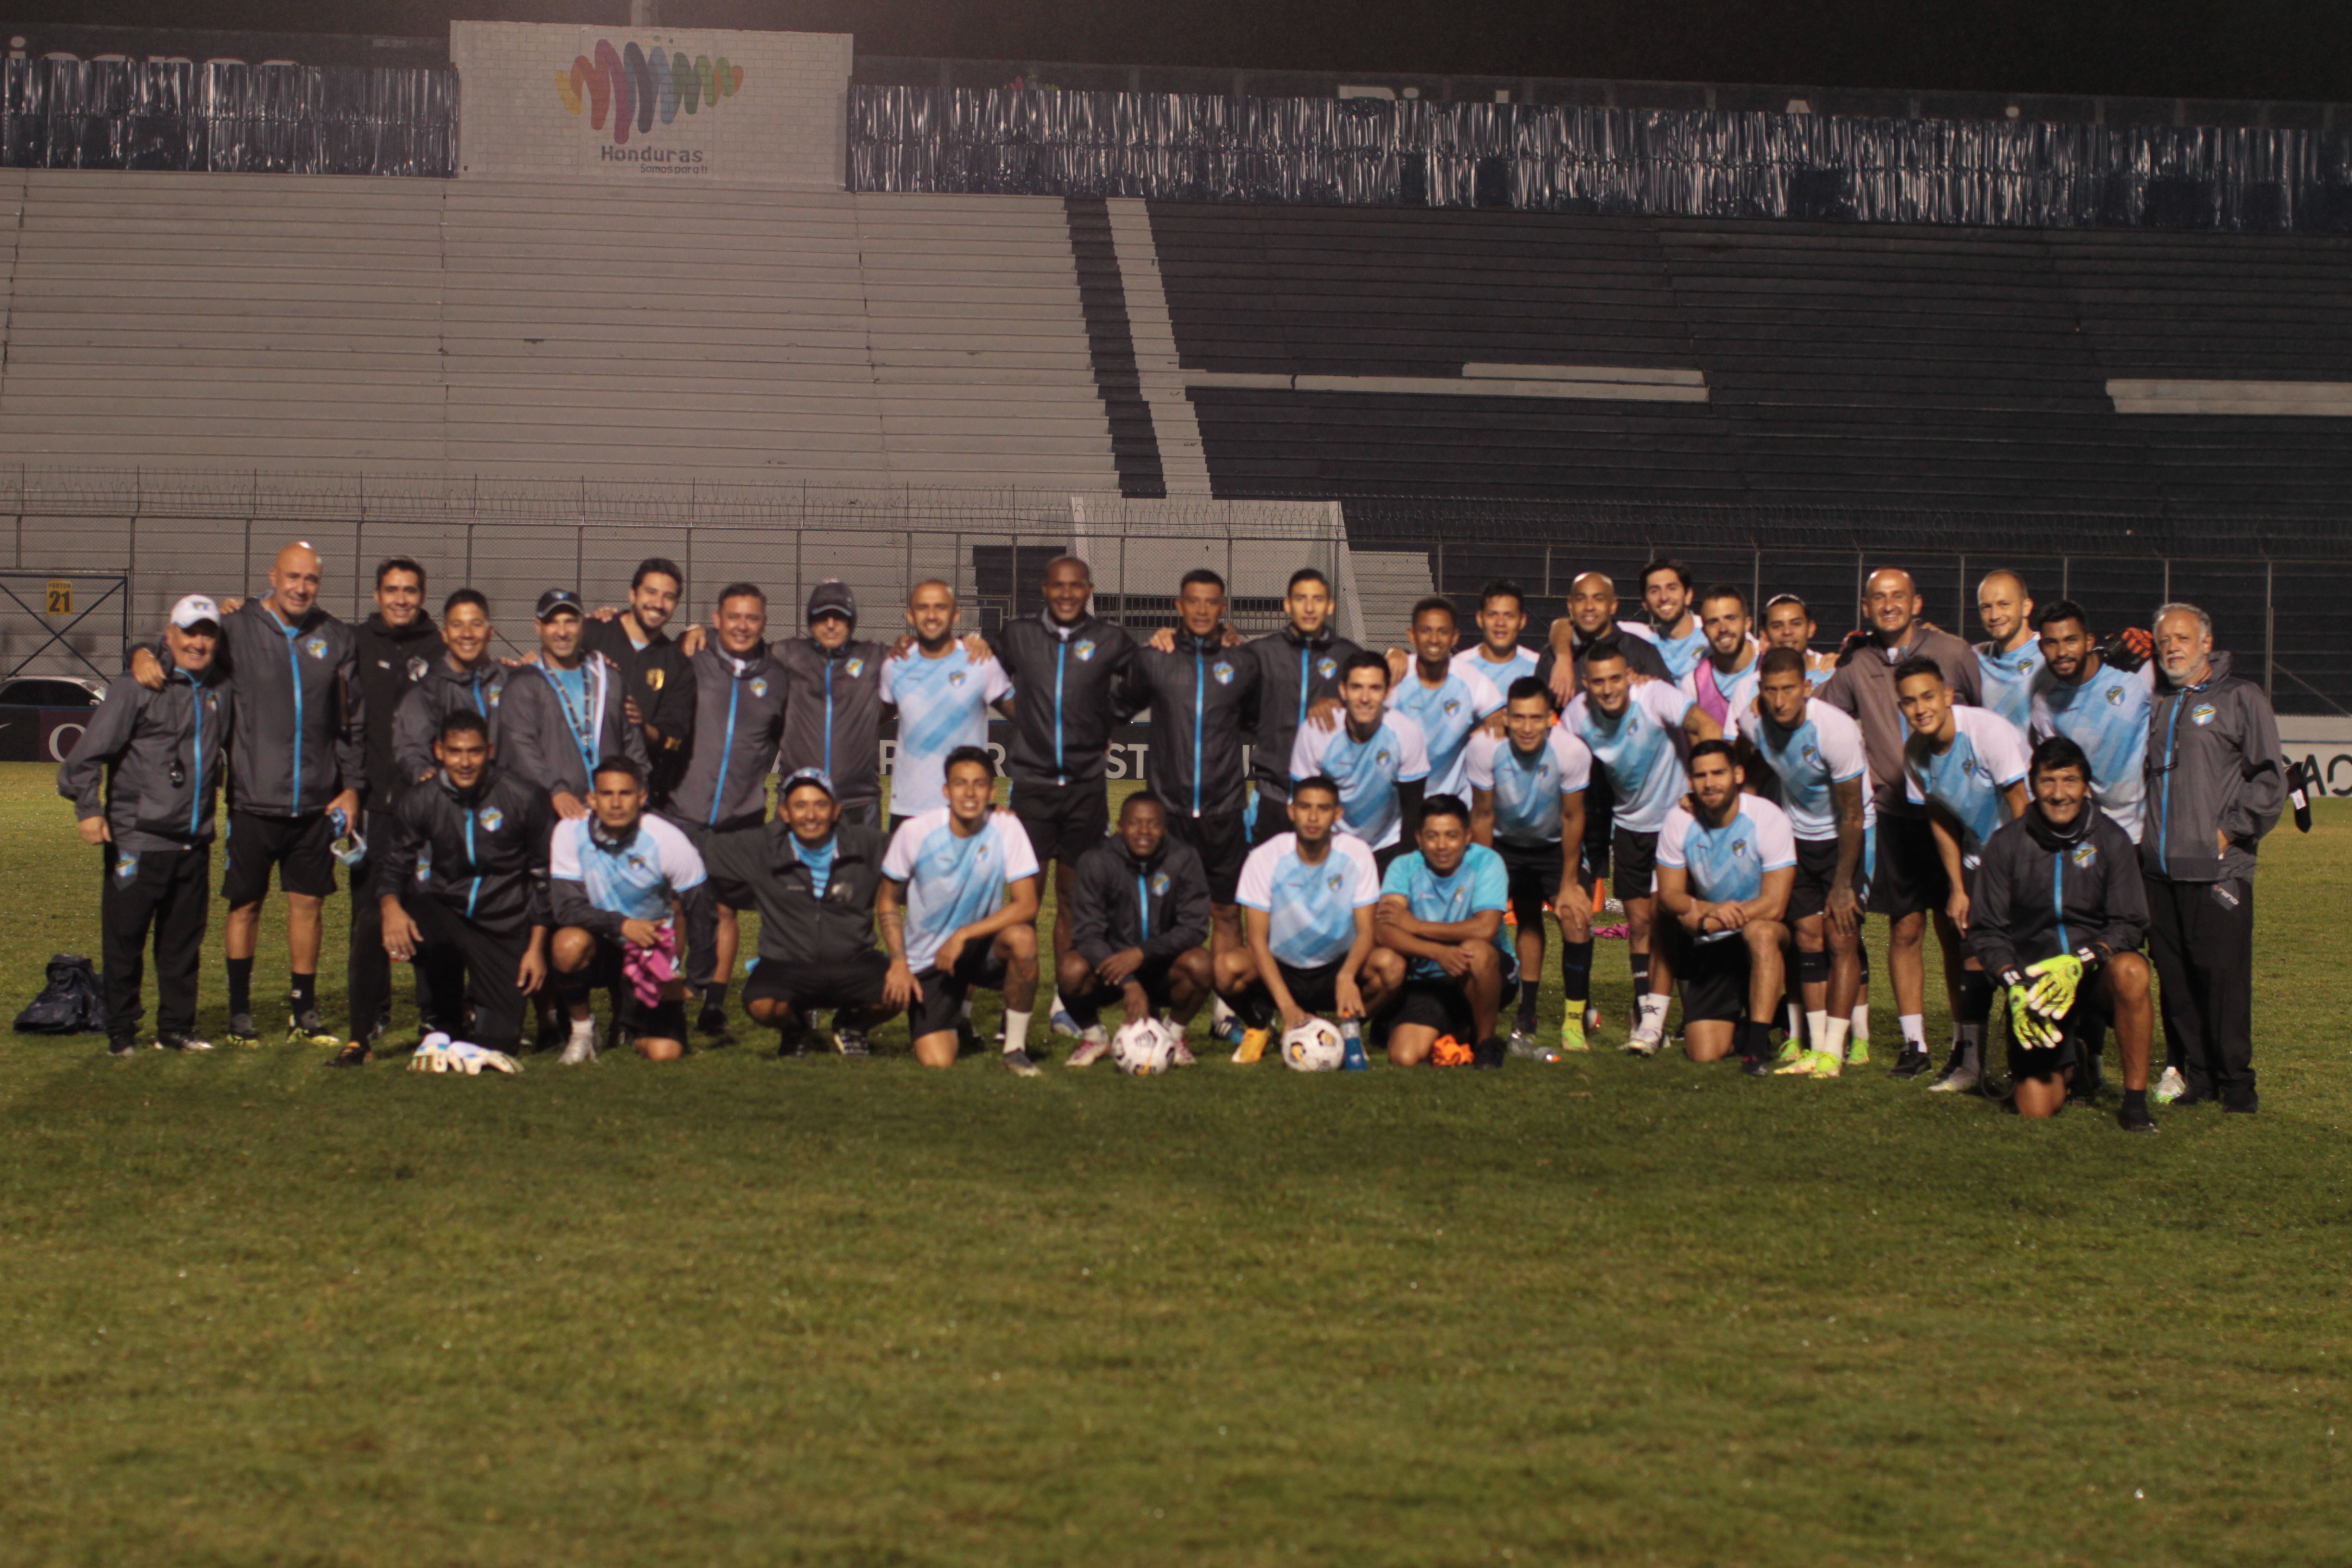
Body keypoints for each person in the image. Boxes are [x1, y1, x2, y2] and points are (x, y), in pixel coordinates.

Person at [142, 543, 366, 1052]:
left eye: (310, 579)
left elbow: (350, 723)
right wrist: (144, 652)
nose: (301, 587)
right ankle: (239, 1013)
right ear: (273, 576)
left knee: (308, 906)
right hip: (251, 801)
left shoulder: (334, 636)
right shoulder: (238, 626)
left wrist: (350, 788)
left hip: (316, 804)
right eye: (292, 576)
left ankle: (303, 1011)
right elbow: (185, 647)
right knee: (244, 906)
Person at [1816, 567, 1982, 1080]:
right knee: (1905, 928)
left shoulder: (1954, 652)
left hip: (1953, 814)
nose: (1888, 605)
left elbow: (1979, 714)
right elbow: (1818, 712)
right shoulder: (1858, 664)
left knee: (1958, 930)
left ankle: (1965, 1043)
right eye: (1878, 598)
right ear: (1866, 608)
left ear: (1917, 602)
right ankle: (1915, 1044)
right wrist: (1822, 665)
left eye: (1898, 596)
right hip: (1894, 816)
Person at [59, 594, 233, 1056]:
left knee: (182, 947)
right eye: (190, 632)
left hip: (193, 840)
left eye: (207, 633)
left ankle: (177, 1028)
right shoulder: (137, 684)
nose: (198, 642)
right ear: (170, 634)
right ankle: (122, 1033)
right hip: (137, 839)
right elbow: (84, 758)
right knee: (125, 943)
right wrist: (89, 810)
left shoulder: (221, 687)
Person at [1969, 735, 2158, 1128]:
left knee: (2134, 972)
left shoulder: (2112, 840)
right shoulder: (2006, 845)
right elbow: (1987, 930)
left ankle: (2135, 1102)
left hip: (2093, 973)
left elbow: (2131, 921)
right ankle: (2075, 1061)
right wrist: (2012, 981)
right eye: (2048, 782)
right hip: (2039, 985)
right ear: (2032, 785)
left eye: (2070, 781)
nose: (2059, 794)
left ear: (2086, 786)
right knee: (2036, 1109)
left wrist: (2085, 959)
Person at [2139, 602, 2284, 1113]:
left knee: (2222, 980)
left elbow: (2270, 779)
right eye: (2164, 641)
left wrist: (2224, 836)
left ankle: (2237, 1083)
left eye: (2182, 638)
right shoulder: (2154, 701)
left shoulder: (2240, 696)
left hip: (2218, 869)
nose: (2172, 647)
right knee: (2176, 983)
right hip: (2157, 870)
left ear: (2206, 642)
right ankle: (2196, 1075)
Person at [990, 556, 1139, 1039]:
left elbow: (1142, 681)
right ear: (1045, 588)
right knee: (1022, 903)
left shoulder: (1111, 639)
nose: (1068, 593)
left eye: (1077, 586)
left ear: (1089, 589)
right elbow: (986, 676)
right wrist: (1024, 715)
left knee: (1075, 899)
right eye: (1059, 585)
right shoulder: (1017, 635)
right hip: (1031, 787)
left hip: (1084, 789)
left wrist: (1104, 720)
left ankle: (1064, 1005)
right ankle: (1014, 1004)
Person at [1558, 640, 1722, 1053]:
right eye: (1599, 682)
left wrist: (1699, 787)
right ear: (1585, 684)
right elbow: (1556, 753)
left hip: (1676, 822)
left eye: (1616, 678)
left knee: (1678, 922)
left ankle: (1693, 1012)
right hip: (1628, 826)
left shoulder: (1654, 696)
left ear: (1630, 677)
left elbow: (1708, 727)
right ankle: (1646, 1017)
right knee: (1641, 925)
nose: (1609, 688)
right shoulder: (1577, 715)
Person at [376, 711, 554, 1062]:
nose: (465, 762)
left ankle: (471, 1015)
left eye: (474, 751)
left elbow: (544, 879)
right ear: (439, 751)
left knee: (497, 1046)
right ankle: (366, 1038)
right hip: (448, 912)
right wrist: (390, 908)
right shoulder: (421, 799)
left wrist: (535, 948)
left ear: (489, 750)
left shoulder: (524, 797)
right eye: (456, 752)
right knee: (372, 920)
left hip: (504, 925)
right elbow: (395, 865)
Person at [1117, 568, 1261, 998]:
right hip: (1167, 812)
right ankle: (1156, 1010)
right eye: (1193, 601)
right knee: (1159, 914)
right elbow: (1118, 706)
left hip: (1224, 810)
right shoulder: (1154, 659)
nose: (1202, 610)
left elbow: (1256, 719)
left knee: (1226, 912)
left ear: (1224, 608)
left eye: (1211, 602)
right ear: (1178, 606)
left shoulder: (1242, 663)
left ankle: (1225, 1011)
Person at [1895, 657, 2032, 1094]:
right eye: (1910, 702)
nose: (1921, 709)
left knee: (2024, 962)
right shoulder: (1915, 753)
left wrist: (2017, 879)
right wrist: (1957, 887)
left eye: (1929, 697)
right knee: (1973, 959)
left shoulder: (1987, 733)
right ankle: (1971, 1067)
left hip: (2024, 859)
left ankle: (2027, 1068)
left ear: (1948, 696)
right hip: (1977, 862)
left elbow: (2021, 806)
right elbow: (1940, 816)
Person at [1740, 649, 1873, 1077]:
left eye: (1790, 690)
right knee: (1808, 939)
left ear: (1807, 688)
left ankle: (1835, 1049)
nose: (1781, 701)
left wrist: (1843, 883)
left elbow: (1853, 813)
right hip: (1796, 835)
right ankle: (1815, 1047)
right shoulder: (1752, 721)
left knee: (1841, 936)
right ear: (1762, 691)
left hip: (1846, 836)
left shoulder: (1834, 730)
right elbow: (1752, 765)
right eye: (1772, 691)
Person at [702, 767, 897, 1057]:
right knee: (761, 1004)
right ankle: (795, 1029)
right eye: (800, 805)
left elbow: (918, 848)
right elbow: (699, 847)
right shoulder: (762, 848)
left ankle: (852, 1024)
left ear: (836, 811)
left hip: (853, 960)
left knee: (899, 991)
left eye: (820, 805)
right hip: (786, 963)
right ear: (784, 813)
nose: (810, 815)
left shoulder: (866, 844)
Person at [664, 583, 788, 1035]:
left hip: (740, 817)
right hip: (683, 808)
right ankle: (668, 992)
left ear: (764, 624)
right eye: (733, 616)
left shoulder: (777, 676)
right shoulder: (691, 660)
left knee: (722, 910)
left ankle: (714, 1003)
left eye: (752, 618)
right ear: (716, 619)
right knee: (677, 906)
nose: (742, 625)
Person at [879, 747, 1044, 1074]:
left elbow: (1027, 904)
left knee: (1023, 939)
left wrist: (963, 935)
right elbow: (886, 900)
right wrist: (899, 961)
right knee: (938, 1061)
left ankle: (1014, 1049)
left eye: (979, 784)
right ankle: (954, 1016)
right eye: (960, 784)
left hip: (980, 947)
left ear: (992, 791)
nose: (970, 793)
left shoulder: (1007, 828)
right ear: (946, 790)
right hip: (929, 958)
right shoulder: (915, 832)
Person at [546, 755, 716, 1064]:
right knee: (567, 944)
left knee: (666, 1054)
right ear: (591, 799)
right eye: (607, 794)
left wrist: (695, 982)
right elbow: (567, 909)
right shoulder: (569, 833)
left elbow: (702, 910)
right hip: (598, 944)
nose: (615, 803)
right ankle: (583, 1032)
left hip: (649, 950)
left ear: (642, 797)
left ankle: (631, 1024)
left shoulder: (668, 839)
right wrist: (622, 925)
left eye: (625, 794)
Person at [1464, 676, 1594, 1056]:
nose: (1526, 727)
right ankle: (1524, 1012)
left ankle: (1574, 1021)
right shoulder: (1484, 748)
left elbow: (1573, 818)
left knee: (1575, 917)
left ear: (1550, 718)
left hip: (1554, 846)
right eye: (1518, 718)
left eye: (1536, 718)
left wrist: (1570, 882)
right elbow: (1483, 815)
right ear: (1505, 717)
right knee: (1499, 919)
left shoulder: (1571, 752)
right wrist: (1484, 875)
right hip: (1504, 844)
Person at [1223, 776, 1393, 1067]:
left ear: (1337, 814)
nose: (1313, 817)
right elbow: (1257, 941)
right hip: (1283, 967)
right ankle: (1263, 1026)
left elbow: (1367, 931)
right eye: (1305, 807)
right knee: (1226, 969)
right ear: (1291, 811)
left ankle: (1348, 1030)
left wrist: (1347, 975)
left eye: (1323, 809)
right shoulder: (1265, 858)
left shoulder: (1357, 855)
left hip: (1336, 966)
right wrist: (1287, 1005)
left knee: (1391, 966)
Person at [1653, 741, 1796, 1073]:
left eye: (1718, 773)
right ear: (1690, 781)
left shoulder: (1766, 817)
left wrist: (1715, 919)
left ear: (1738, 774)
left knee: (1760, 933)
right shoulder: (1679, 821)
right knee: (1703, 1053)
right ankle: (1753, 1024)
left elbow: (1775, 905)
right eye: (1701, 775)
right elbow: (1669, 895)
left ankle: (1757, 1048)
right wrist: (1704, 907)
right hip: (1713, 942)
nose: (1710, 782)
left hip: (1764, 934)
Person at [348, 556, 440, 1054]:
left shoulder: (440, 646)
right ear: (377, 595)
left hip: (427, 809)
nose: (401, 599)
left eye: (409, 590)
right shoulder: (357, 642)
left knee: (426, 908)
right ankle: (372, 1014)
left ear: (422, 597)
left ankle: (433, 1014)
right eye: (391, 590)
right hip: (373, 810)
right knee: (367, 916)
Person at [1059, 793, 1215, 1066]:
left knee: (1201, 965)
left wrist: (1142, 954)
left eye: (1153, 824)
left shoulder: (1184, 858)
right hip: (1112, 969)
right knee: (1071, 970)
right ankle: (1094, 1038)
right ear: (1120, 827)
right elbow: (1087, 933)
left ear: (1165, 829)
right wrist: (1128, 982)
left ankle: (1174, 1035)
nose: (1144, 831)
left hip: (1162, 966)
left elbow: (1195, 926)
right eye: (1135, 823)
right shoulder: (1095, 861)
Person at [1366, 795, 1514, 1068]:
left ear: (1468, 836)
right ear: (1420, 839)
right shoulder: (1404, 867)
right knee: (1404, 1057)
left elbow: (1485, 928)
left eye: (1452, 836)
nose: (1442, 846)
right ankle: (1456, 1028)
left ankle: (1486, 1043)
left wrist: (1416, 926)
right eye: (1433, 836)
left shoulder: (1487, 862)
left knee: (1476, 950)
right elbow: (1385, 931)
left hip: (1488, 972)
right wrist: (1439, 952)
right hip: (1429, 977)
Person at [499, 589, 648, 821]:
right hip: (551, 814)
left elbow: (632, 742)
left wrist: (640, 787)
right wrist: (555, 790)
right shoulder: (524, 684)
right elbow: (521, 747)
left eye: (570, 622)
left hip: (612, 813)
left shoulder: (609, 678)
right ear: (538, 627)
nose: (562, 632)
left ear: (583, 626)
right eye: (553, 623)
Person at [882, 580, 1013, 833]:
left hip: (966, 806)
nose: (931, 615)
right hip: (909, 808)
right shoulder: (896, 664)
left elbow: (1025, 716)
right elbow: (870, 716)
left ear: (955, 615)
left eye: (940, 607)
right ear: (910, 615)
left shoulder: (980, 661)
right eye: (923, 608)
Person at [1244, 565, 1361, 848]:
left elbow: (1376, 706)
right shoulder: (1261, 653)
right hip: (1273, 795)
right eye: (1301, 599)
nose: (1309, 607)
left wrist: (1345, 706)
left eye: (1318, 599)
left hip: (1328, 799)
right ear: (1287, 604)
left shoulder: (1349, 656)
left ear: (1331, 606)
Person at [1287, 649, 1430, 869]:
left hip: (1387, 845)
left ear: (1387, 693)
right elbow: (1303, 805)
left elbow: (1412, 811)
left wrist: (1402, 872)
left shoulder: (1406, 734)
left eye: (1375, 688)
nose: (1365, 698)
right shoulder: (1316, 730)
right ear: (1342, 691)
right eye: (1357, 688)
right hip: (1332, 844)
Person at [2029, 600, 2152, 843]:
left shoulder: (2137, 673)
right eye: (2052, 643)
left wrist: (2154, 644)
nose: (2062, 652)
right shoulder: (2044, 703)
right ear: (2042, 648)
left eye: (2071, 640)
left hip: (2150, 829)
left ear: (2089, 642)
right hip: (2098, 833)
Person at [584, 557, 698, 806]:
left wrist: (644, 729)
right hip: (577, 786)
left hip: (634, 796)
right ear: (632, 595)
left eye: (668, 597)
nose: (658, 604)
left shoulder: (677, 664)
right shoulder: (592, 634)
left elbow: (676, 736)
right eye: (651, 592)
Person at [775, 580, 890, 828]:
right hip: (799, 800)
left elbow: (930, 657)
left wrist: (968, 643)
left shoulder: (874, 657)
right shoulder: (788, 655)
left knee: (860, 869)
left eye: (839, 617)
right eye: (822, 617)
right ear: (810, 620)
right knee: (790, 868)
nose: (830, 624)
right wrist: (698, 632)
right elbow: (737, 650)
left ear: (852, 621)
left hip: (859, 802)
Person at [1387, 596, 1505, 802]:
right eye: (1426, 631)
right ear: (1412, 636)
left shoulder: (1470, 679)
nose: (1434, 639)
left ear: (1455, 637)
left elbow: (1500, 720)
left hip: (1453, 801)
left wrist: (1491, 730)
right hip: (1397, 799)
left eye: (1443, 632)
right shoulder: (1396, 675)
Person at [390, 590, 508, 786]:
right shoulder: (428, 690)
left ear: (490, 632)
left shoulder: (512, 681)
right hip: (452, 803)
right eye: (457, 625)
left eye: (476, 625)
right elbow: (411, 747)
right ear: (444, 634)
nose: (467, 634)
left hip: (505, 802)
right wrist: (425, 774)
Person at [1680, 584, 1760, 733]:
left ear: (1748, 623)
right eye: (1713, 622)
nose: (1723, 628)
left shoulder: (1773, 664)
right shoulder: (1694, 684)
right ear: (1704, 631)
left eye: (1731, 618)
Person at [1973, 570, 2044, 734]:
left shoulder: (2051, 655)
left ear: (2026, 607)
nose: (1994, 615)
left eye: (2004, 604)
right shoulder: (1976, 658)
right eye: (1986, 607)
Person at [1453, 578, 1540, 689]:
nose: (1500, 623)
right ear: (1480, 619)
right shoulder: (1459, 668)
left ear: (1522, 621)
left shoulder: (1538, 667)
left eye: (1509, 616)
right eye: (1493, 615)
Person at [1638, 557, 1708, 680]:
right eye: (1655, 591)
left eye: (1672, 588)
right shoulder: (1641, 643)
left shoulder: (1711, 633)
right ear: (1645, 603)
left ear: (1688, 596)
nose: (1664, 597)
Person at [1761, 594, 1841, 689]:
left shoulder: (1834, 675)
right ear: (1765, 634)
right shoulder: (1751, 684)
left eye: (1796, 624)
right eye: (1777, 626)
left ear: (1811, 629)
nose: (1787, 632)